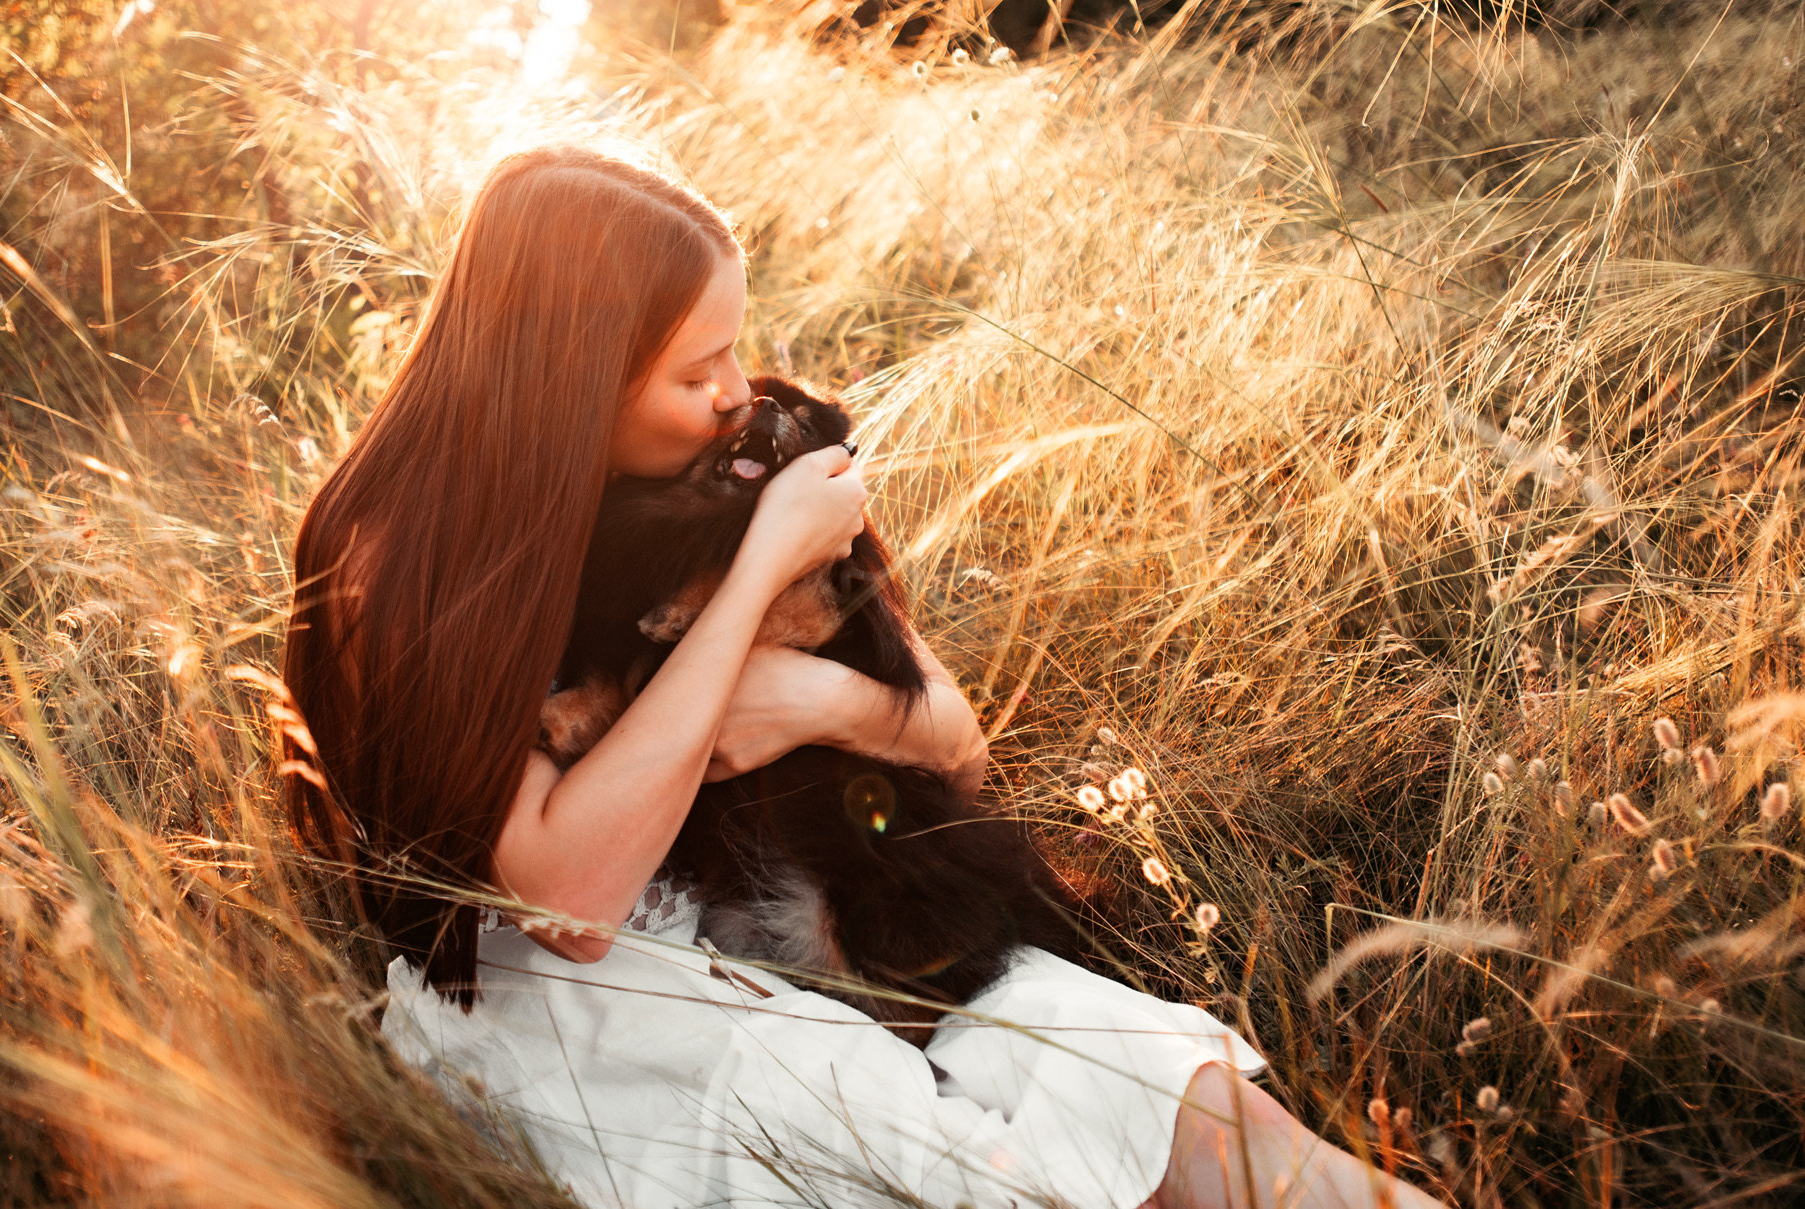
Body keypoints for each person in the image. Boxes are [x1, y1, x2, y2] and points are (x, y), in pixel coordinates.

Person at [282, 146, 1444, 1209]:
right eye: (697, 367)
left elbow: (954, 740)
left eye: (735, 344)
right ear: (574, 375)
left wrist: (823, 702)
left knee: (1162, 1088)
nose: (739, 388)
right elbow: (565, 910)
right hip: (583, 1000)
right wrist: (751, 585)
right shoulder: (401, 552)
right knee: (940, 1158)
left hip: (816, 910)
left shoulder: (722, 463)